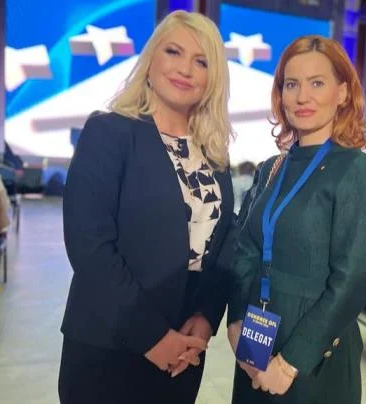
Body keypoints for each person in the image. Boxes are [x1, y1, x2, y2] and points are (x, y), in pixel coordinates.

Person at [58, 11, 234, 404]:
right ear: (151, 58)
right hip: (110, 343)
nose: (185, 69)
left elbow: (220, 249)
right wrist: (152, 336)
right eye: (173, 52)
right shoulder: (109, 131)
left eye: (201, 61)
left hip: (184, 349)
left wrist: (205, 317)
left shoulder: (213, 155)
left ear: (213, 78)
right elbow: (89, 247)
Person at [227, 35, 366, 403]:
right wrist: (236, 321)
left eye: (317, 83)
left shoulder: (357, 170)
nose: (302, 97)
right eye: (291, 84)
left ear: (342, 92)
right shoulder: (272, 168)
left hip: (313, 351)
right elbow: (245, 249)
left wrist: (289, 364)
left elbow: (353, 280)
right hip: (256, 336)